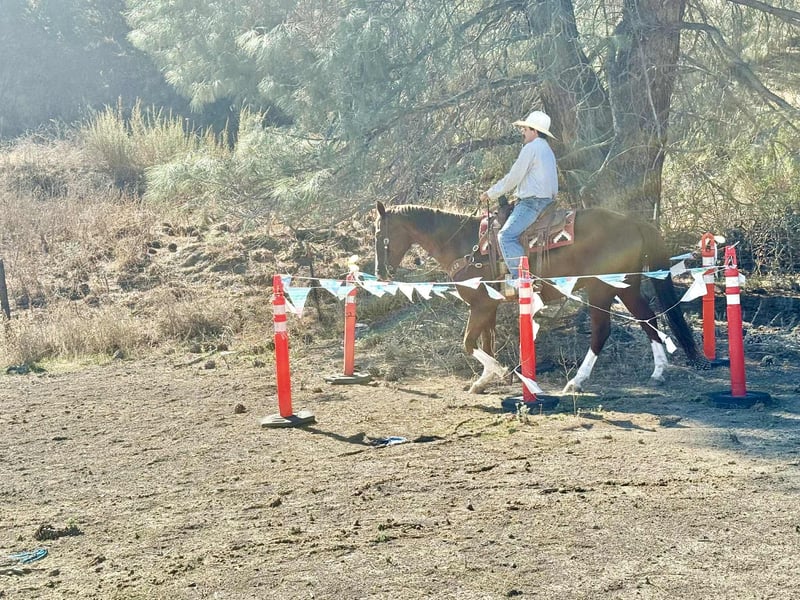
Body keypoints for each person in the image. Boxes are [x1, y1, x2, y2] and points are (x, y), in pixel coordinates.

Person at [480, 110, 558, 284]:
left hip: (531, 203)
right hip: (546, 202)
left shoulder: (531, 148)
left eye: (525, 129)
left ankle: (522, 280)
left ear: (535, 131)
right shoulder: (547, 150)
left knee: (505, 236)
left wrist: (490, 193)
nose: (523, 132)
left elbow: (513, 177)